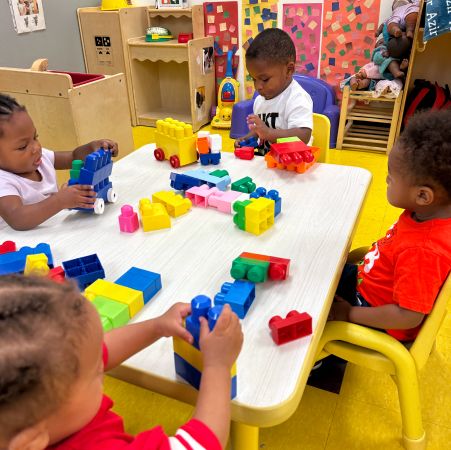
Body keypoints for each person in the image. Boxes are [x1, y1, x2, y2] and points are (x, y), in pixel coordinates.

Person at [0, 275, 243, 450]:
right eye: (97, 373)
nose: (102, 368)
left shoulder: (42, 414)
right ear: (30, 442)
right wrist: (217, 366)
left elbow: (99, 350)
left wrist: (156, 326)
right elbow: (200, 444)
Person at [329, 109, 451, 341]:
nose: (386, 180)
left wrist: (350, 313)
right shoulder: (426, 213)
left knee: (312, 310)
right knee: (319, 269)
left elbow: (408, 316)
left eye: (391, 178)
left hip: (374, 313)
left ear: (423, 196)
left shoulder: (424, 251)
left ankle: (322, 362)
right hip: (370, 285)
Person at [0, 93, 118, 230]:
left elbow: (73, 157)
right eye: (23, 147)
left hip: (55, 232)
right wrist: (60, 201)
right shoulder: (3, 182)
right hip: (20, 245)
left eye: (35, 137)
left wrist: (92, 147)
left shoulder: (40, 158)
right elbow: (18, 218)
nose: (36, 147)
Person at [234, 28, 313, 155]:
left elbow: (303, 136)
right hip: (267, 164)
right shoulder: (260, 100)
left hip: (291, 165)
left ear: (288, 70)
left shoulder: (297, 98)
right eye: (253, 79)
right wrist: (247, 139)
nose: (258, 86)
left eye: (264, 79)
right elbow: (261, 131)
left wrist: (269, 133)